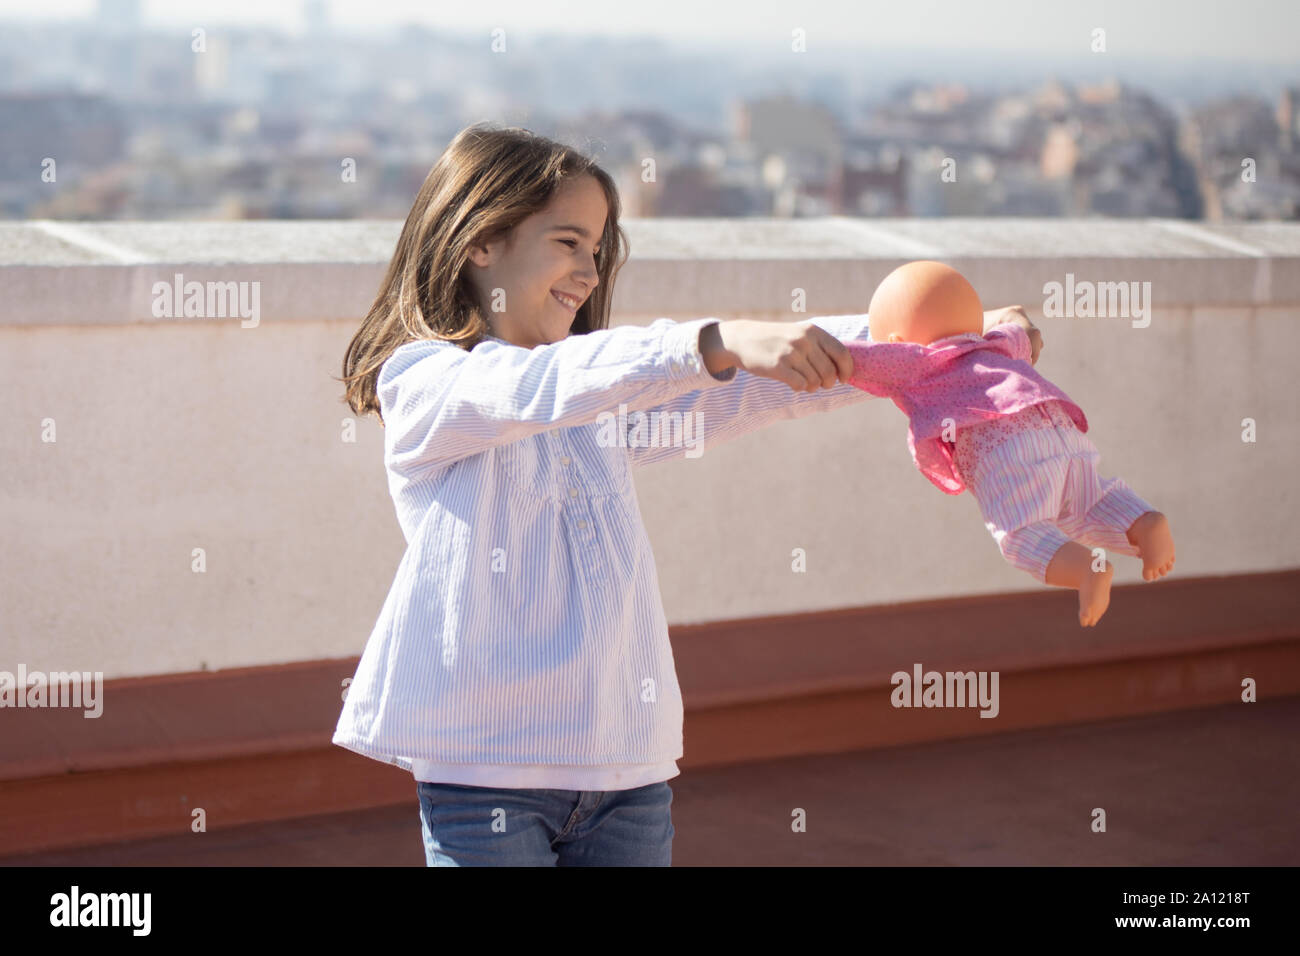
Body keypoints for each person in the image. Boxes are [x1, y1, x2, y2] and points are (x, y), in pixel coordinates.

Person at [336, 123, 1039, 865]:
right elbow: (530, 387)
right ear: (482, 241)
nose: (589, 270)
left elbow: (758, 388)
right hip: (485, 783)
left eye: (598, 249)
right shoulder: (425, 384)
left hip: (629, 777)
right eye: (568, 242)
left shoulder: (598, 400)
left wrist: (942, 345)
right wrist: (713, 339)